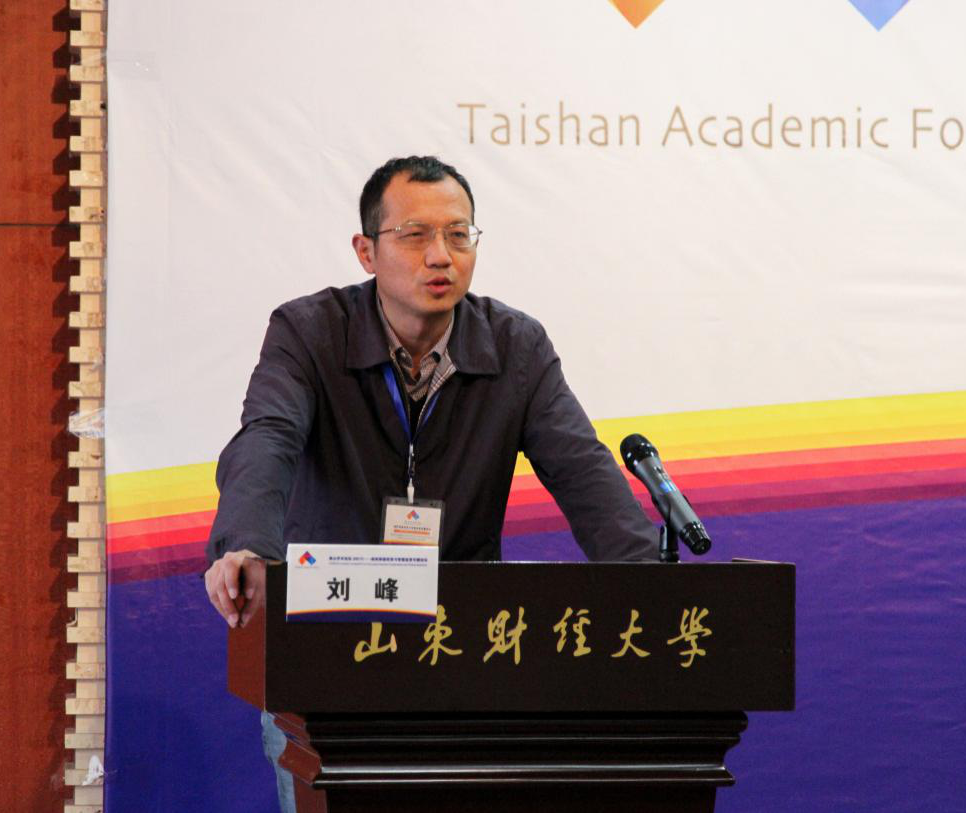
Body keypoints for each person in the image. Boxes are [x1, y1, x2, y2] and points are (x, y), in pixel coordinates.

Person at [203, 155, 658, 810]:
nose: (440, 255)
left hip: (464, 652)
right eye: (415, 235)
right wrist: (246, 544)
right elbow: (266, 436)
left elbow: (583, 469)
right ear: (366, 251)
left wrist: (652, 584)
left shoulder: (515, 346)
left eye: (458, 234)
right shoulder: (310, 333)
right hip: (330, 642)